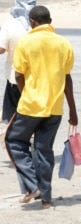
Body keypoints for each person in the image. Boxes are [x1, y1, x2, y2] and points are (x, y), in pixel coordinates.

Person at [4, 5, 78, 209]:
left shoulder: (26, 41)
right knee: (44, 150)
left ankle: (31, 185)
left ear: (32, 22)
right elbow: (67, 78)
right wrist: (73, 109)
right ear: (50, 20)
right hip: (55, 107)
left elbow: (18, 75)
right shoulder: (64, 43)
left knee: (13, 141)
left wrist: (25, 93)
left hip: (31, 105)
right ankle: (45, 200)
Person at [0, 0, 36, 131]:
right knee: (32, 117)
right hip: (37, 80)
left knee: (12, 118)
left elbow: (1, 49)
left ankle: (15, 146)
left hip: (14, 78)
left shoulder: (9, 25)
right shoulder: (40, 25)